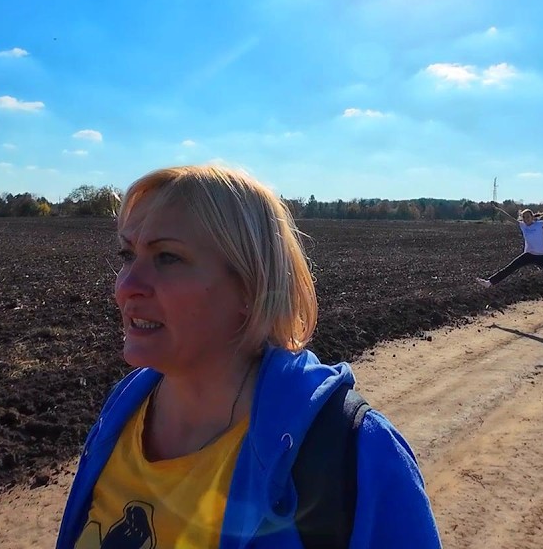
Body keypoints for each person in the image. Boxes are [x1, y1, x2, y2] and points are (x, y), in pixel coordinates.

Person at [55, 165, 441, 549]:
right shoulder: (121, 413)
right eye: (127, 255)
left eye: (167, 257)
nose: (126, 286)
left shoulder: (355, 455)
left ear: (250, 287)